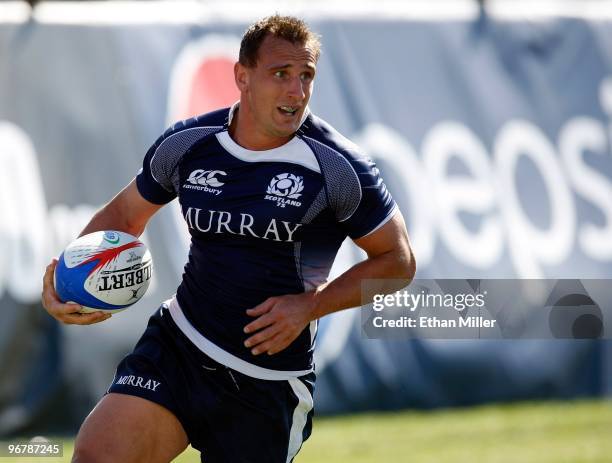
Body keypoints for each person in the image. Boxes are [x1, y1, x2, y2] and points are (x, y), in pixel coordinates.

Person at [41, 14, 415, 463]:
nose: (296, 92)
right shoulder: (189, 144)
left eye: (306, 76)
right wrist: (70, 277)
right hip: (179, 347)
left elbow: (398, 261)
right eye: (281, 74)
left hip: (268, 379)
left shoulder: (338, 167)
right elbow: (123, 215)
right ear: (242, 76)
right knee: (98, 456)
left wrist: (311, 306)